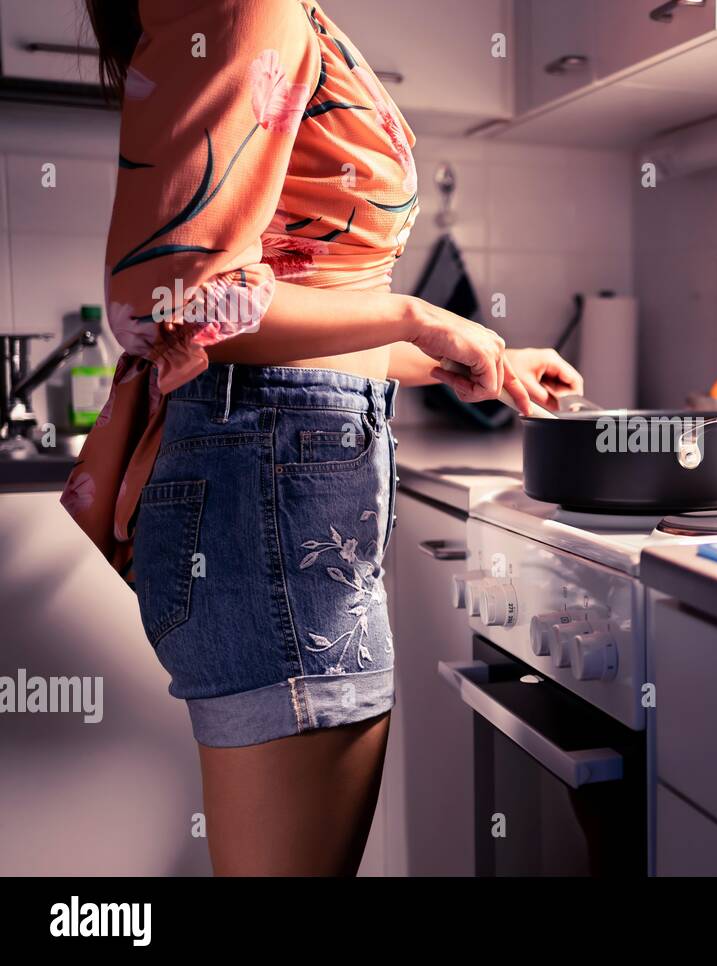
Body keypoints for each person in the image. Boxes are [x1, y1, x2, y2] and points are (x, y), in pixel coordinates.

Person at [63, 0, 582, 875]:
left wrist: (467, 353)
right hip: (277, 493)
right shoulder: (243, 4)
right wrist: (419, 319)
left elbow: (280, 293)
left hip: (285, 478)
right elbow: (180, 301)